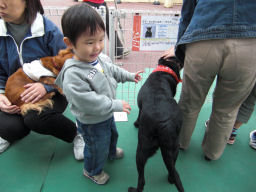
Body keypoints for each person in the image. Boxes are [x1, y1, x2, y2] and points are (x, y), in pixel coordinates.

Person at [56, 4, 143, 184]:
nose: (97, 47)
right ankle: (91, 170)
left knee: (112, 135)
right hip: (91, 121)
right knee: (96, 146)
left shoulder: (99, 58)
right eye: (89, 42)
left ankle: (110, 152)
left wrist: (128, 76)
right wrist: (115, 105)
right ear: (70, 43)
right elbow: (89, 102)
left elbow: (112, 70)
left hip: (105, 115)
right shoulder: (73, 74)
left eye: (101, 40)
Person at [170, 0, 256, 161]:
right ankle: (212, 153)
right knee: (226, 110)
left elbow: (187, 13)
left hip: (203, 36)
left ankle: (179, 143)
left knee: (189, 102)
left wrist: (180, 52)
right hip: (250, 42)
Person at [0, 0, 77, 154]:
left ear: (28, 2)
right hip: (15, 93)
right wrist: (1, 94)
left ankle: (80, 133)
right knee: (10, 128)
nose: (1, 4)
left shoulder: (48, 31)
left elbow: (71, 69)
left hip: (55, 89)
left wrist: (46, 87)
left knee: (35, 119)